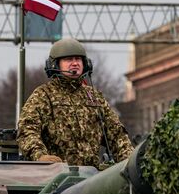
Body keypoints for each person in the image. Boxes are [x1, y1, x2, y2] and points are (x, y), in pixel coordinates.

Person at [17, 38, 133, 167]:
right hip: (57, 177)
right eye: (68, 59)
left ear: (86, 64)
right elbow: (27, 130)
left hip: (91, 177)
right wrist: (40, 156)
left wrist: (130, 161)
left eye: (78, 59)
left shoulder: (94, 97)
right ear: (55, 65)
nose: (75, 63)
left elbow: (116, 134)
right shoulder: (43, 95)